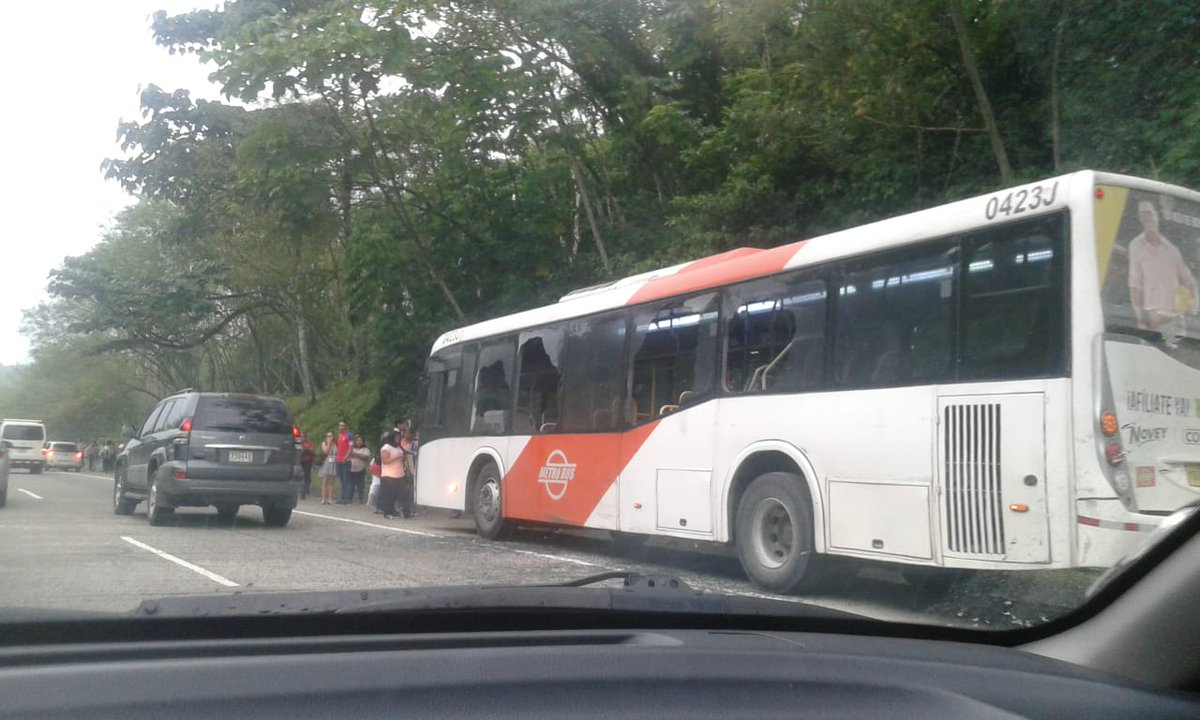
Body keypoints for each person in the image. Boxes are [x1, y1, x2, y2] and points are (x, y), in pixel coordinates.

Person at [1129, 200, 1198, 332]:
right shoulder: (1136, 246)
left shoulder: (1171, 250)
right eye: (1142, 214)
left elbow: (1189, 281)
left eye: (1149, 213)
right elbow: (1135, 286)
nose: (1146, 218)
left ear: (1157, 215)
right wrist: (1139, 321)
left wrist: (1193, 305)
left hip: (1175, 322)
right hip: (1152, 321)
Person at [377, 430, 405, 519]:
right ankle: (387, 512)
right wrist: (396, 457)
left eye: (399, 437)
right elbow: (385, 461)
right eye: (396, 437)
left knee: (399, 493)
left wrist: (403, 458)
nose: (398, 439)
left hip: (399, 473)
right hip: (388, 474)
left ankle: (394, 510)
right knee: (389, 494)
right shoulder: (386, 447)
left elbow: (402, 457)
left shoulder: (398, 447)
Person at [335, 421, 354, 504]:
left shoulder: (349, 435)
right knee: (342, 479)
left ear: (346, 426)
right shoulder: (339, 436)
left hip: (345, 460)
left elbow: (350, 448)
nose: (340, 427)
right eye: (339, 426)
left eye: (342, 426)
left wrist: (345, 457)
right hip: (338, 459)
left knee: (346, 479)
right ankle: (342, 497)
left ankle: (346, 498)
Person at [349, 435, 370, 504]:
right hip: (351, 469)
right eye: (357, 440)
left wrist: (355, 454)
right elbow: (348, 455)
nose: (359, 442)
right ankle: (349, 498)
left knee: (360, 486)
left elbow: (365, 457)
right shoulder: (351, 448)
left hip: (360, 470)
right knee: (350, 485)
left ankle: (360, 499)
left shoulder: (365, 449)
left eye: (361, 440)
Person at [319, 432, 338, 505]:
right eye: (328, 436)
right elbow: (326, 451)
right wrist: (329, 443)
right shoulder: (324, 443)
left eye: (331, 436)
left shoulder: (335, 444)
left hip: (333, 462)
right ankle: (323, 498)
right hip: (327, 462)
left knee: (331, 481)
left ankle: (330, 499)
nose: (330, 437)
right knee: (325, 480)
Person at [299, 434, 316, 500]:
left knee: (307, 476)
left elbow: (312, 451)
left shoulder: (308, 443)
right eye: (301, 436)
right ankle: (302, 491)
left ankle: (305, 490)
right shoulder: (298, 443)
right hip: (300, 461)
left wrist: (307, 449)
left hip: (307, 461)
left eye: (303, 436)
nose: (302, 438)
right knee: (301, 477)